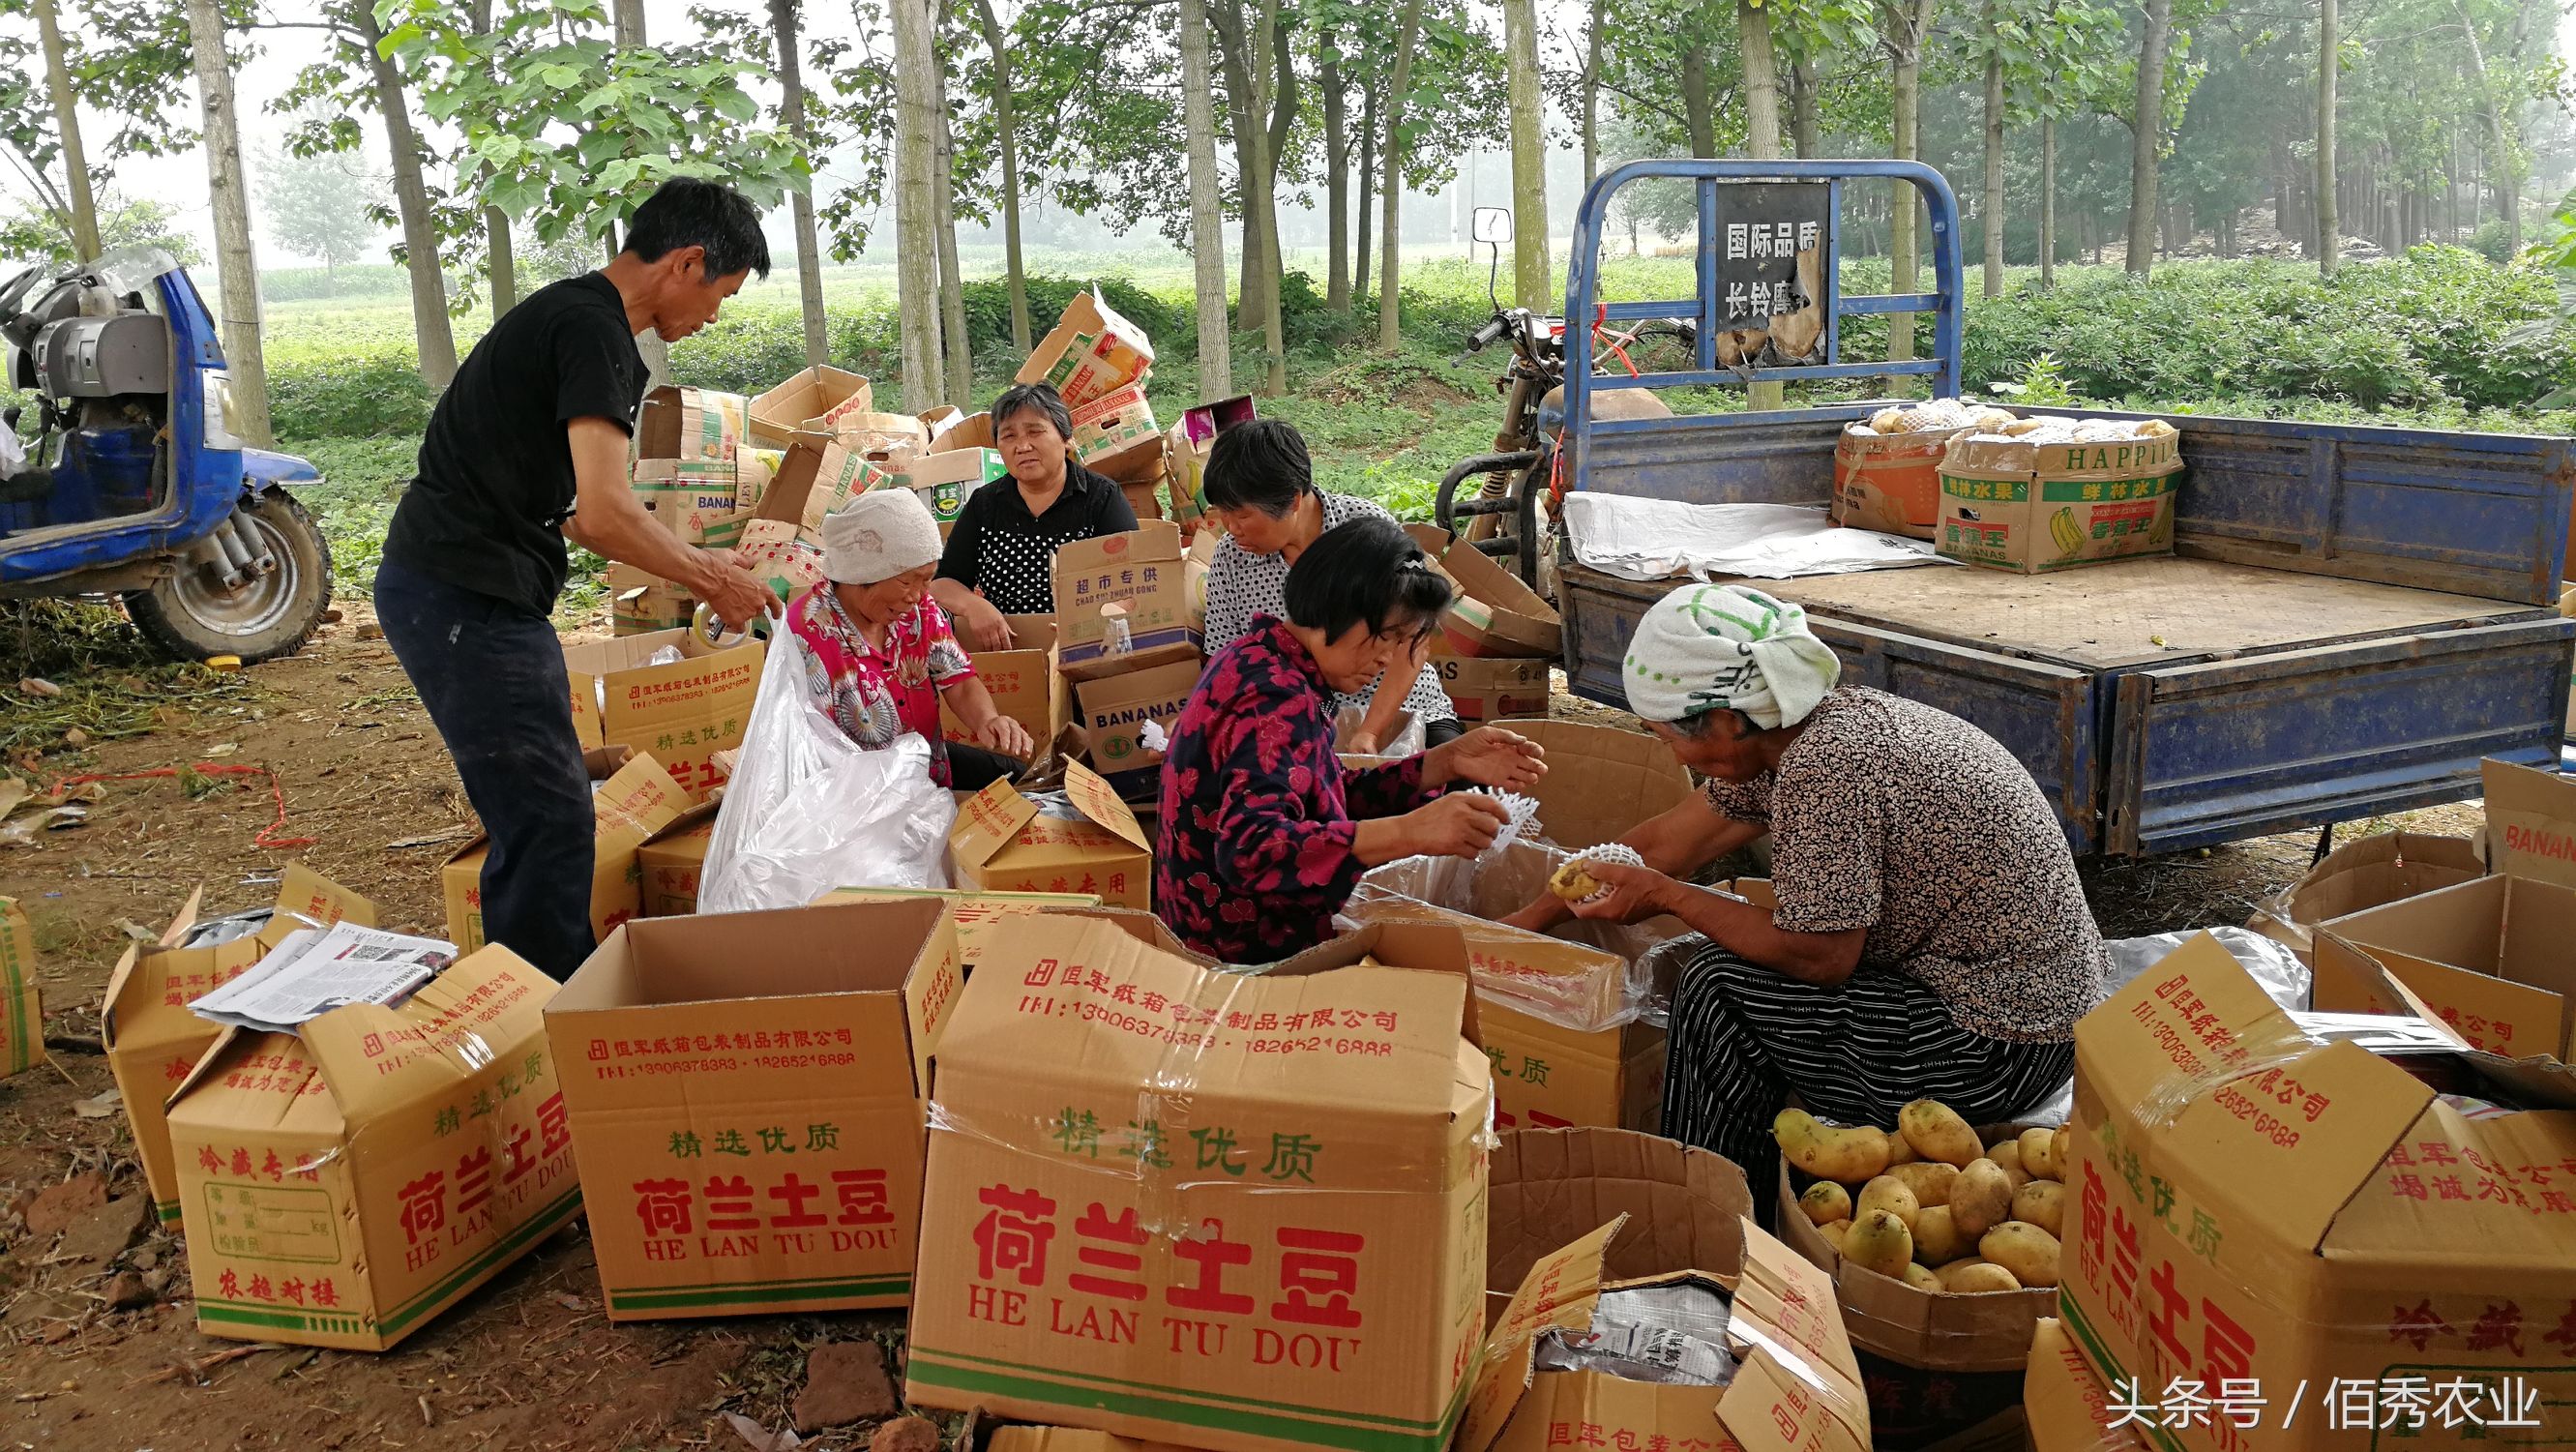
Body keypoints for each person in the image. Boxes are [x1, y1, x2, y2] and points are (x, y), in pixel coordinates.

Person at [1501, 581, 2107, 1188]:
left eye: (1675, 740)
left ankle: (1715, 1211)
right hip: (2015, 1006)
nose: (1681, 763)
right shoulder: (1798, 733)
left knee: (1719, 988)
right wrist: (1518, 928)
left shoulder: (1827, 770)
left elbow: (1820, 958)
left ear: (1723, 720)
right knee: (1730, 948)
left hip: (2000, 1045)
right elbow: (1665, 845)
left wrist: (1666, 895)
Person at [374, 177, 778, 981]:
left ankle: (535, 994)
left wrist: (695, 559)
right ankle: (550, 1019)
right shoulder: (592, 333)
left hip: (467, 587)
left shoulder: (571, 318)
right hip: (464, 595)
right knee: (548, 822)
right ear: (687, 263)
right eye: (721, 294)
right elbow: (601, 514)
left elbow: (574, 507)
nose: (713, 317)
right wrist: (707, 577)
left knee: (545, 805)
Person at [1156, 517, 1547, 962]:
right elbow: (1253, 848)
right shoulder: (1274, 699)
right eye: (1386, 636)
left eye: (1402, 643)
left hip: (1213, 929)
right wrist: (1409, 831)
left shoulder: (1261, 657)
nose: (1386, 659)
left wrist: (1445, 761)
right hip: (1243, 958)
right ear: (1336, 606)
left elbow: (1318, 790)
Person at [1199, 421, 1461, 754]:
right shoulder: (1230, 557)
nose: (1231, 528)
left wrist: (1369, 733)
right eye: (1223, 512)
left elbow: (1415, 641)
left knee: (1461, 788)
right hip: (1295, 724)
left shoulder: (1368, 531)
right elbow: (1224, 660)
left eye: (1242, 515)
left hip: (1405, 712)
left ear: (1293, 499)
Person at [786, 489, 1035, 790]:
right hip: (862, 797)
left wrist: (988, 720)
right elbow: (815, 753)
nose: (918, 595)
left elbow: (958, 679)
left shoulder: (919, 609)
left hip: (929, 766)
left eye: (927, 579)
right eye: (906, 581)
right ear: (859, 574)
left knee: (1023, 777)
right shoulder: (807, 634)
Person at [931, 382, 1139, 650]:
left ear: (1065, 438)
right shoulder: (985, 504)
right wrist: (973, 606)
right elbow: (943, 583)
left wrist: (1095, 619)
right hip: (1006, 652)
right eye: (1009, 436)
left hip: (1087, 648)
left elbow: (1136, 580)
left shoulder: (1101, 498)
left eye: (1035, 432)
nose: (1022, 446)